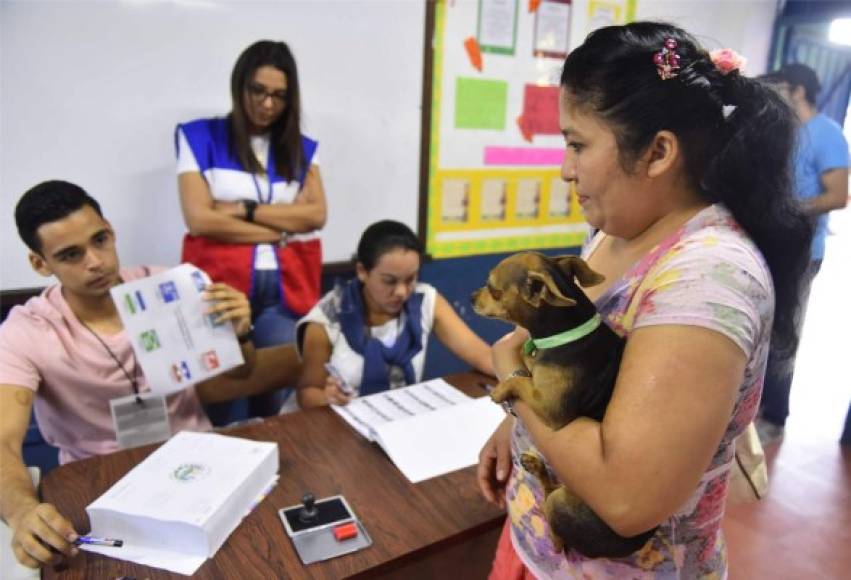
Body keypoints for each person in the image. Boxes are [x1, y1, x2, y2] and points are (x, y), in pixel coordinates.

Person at [477, 23, 813, 578]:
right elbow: (581, 370)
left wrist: (511, 375)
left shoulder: (707, 279)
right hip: (538, 549)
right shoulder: (620, 228)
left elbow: (627, 497)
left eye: (578, 144)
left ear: (658, 152)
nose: (566, 168)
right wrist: (515, 427)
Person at [0, 181, 300, 569]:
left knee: (265, 558)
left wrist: (239, 332)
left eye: (100, 239)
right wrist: (22, 511)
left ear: (111, 230)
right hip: (99, 480)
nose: (96, 261)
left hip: (200, 456)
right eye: (71, 254)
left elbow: (242, 377)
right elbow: (4, 440)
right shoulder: (27, 331)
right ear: (41, 264)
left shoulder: (169, 287)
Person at [176, 40, 326, 421]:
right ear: (240, 86)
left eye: (279, 95)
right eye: (258, 91)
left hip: (284, 288)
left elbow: (316, 215)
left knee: (281, 398)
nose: (267, 104)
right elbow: (200, 220)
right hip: (220, 287)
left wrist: (245, 210)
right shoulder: (198, 138)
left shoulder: (301, 149)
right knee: (222, 400)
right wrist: (278, 230)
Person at [295, 220, 494, 408]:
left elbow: (484, 356)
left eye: (410, 279)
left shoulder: (424, 301)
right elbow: (307, 393)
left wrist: (520, 377)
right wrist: (327, 398)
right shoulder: (329, 316)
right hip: (341, 424)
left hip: (397, 418)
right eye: (389, 281)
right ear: (362, 271)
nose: (401, 292)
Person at [756, 64, 849, 445]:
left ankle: (775, 417)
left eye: (778, 90)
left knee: (782, 333)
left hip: (802, 252)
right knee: (758, 330)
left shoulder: (826, 133)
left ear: (797, 91)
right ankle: (752, 409)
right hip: (770, 244)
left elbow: (837, 195)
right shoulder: (783, 132)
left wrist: (787, 208)